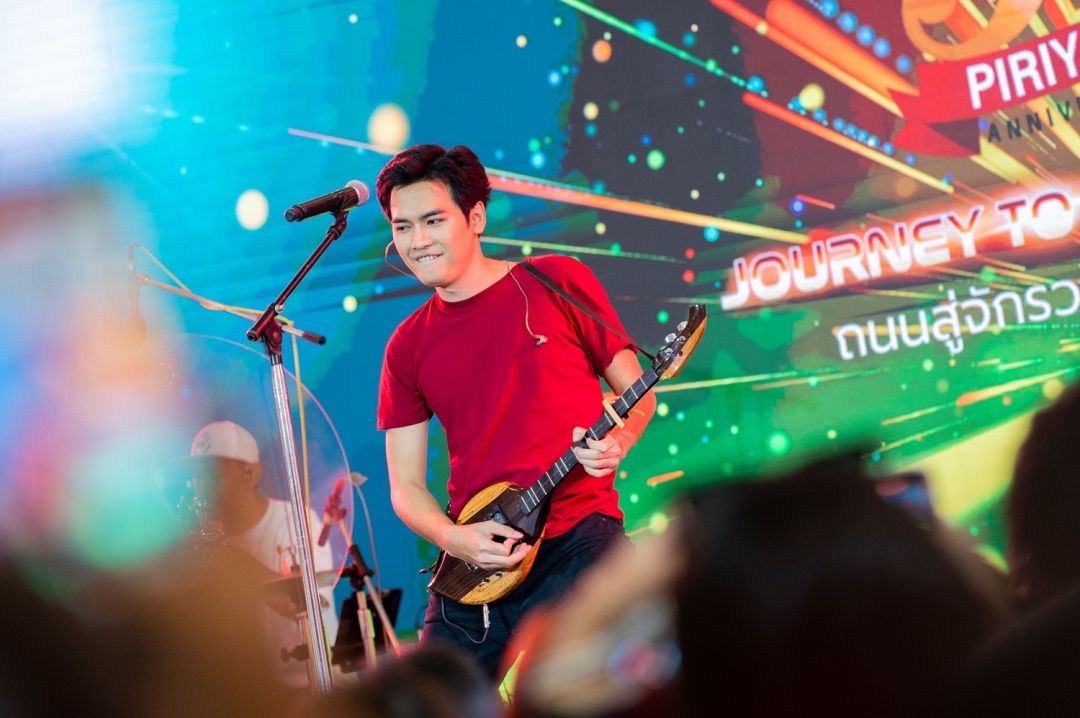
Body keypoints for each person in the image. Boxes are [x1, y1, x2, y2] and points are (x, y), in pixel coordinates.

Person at [375, 143, 656, 679]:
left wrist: (619, 442)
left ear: (475, 217)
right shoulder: (406, 346)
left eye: (433, 220)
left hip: (578, 535)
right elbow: (405, 487)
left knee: (625, 683)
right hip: (476, 554)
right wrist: (454, 538)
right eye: (402, 227)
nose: (418, 242)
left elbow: (640, 393)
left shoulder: (556, 281)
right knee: (430, 699)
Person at [187, 420, 337, 688]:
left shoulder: (295, 522)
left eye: (213, 474)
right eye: (195, 476)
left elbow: (311, 605)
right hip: (259, 696)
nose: (201, 486)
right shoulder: (203, 545)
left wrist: (235, 561)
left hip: (315, 687)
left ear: (251, 474)